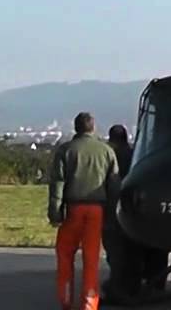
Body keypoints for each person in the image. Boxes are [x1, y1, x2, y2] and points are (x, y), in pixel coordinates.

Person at [49, 112, 121, 310]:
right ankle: (89, 304)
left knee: (64, 254)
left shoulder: (66, 150)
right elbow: (114, 185)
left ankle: (65, 299)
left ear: (76, 128)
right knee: (91, 259)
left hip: (73, 209)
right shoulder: (106, 151)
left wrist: (55, 213)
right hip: (97, 210)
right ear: (93, 127)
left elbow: (57, 184)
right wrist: (112, 213)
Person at [101, 124, 139, 302]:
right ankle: (135, 283)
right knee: (131, 248)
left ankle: (118, 286)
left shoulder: (109, 155)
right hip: (133, 207)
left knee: (115, 250)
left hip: (113, 207)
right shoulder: (135, 154)